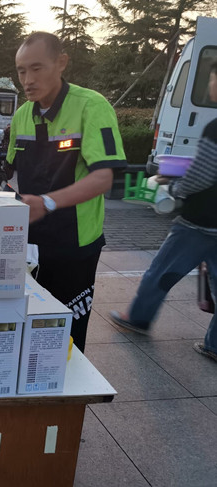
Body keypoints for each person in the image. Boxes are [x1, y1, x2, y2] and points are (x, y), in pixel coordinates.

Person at [6, 32, 127, 353]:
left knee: (65, 339)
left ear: (61, 63)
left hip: (74, 246)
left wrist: (47, 202)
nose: (27, 80)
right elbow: (11, 177)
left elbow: (104, 176)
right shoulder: (22, 115)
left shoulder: (91, 106)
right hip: (28, 247)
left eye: (36, 68)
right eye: (21, 71)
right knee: (25, 332)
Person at [110, 62, 217, 361]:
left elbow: (202, 175)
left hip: (199, 222)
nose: (210, 85)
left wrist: (175, 188)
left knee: (161, 271)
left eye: (213, 79)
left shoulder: (215, 128)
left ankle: (138, 318)